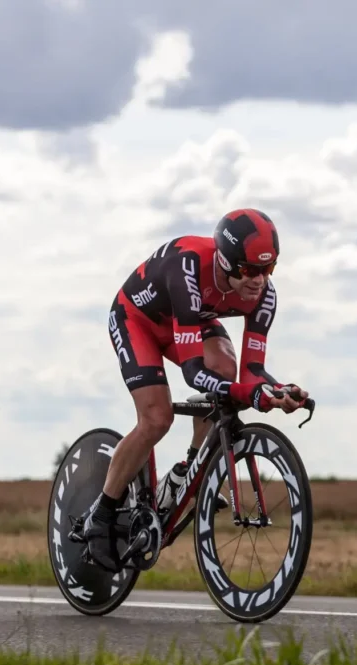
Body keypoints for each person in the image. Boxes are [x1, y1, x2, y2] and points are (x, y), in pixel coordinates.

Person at [73, 208, 309, 571]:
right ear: (225, 261)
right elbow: (194, 373)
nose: (258, 281)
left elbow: (252, 372)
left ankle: (188, 469)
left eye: (268, 269)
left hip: (189, 322)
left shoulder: (264, 297)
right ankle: (100, 515)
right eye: (248, 270)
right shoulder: (188, 269)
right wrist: (249, 394)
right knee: (157, 418)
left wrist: (279, 391)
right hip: (137, 320)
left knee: (227, 370)